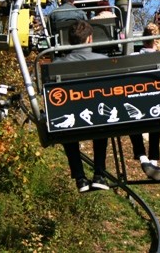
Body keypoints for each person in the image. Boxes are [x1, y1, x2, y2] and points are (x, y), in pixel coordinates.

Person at [57, 20, 109, 193]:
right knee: (101, 123)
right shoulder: (104, 61)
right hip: (99, 119)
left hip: (71, 120)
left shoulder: (57, 65)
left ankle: (80, 177)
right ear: (90, 39)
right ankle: (99, 173)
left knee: (67, 128)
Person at [127, 23, 160, 182]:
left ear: (143, 41)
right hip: (158, 107)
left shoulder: (132, 59)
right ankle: (153, 159)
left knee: (132, 117)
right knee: (156, 117)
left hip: (137, 104)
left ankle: (142, 156)